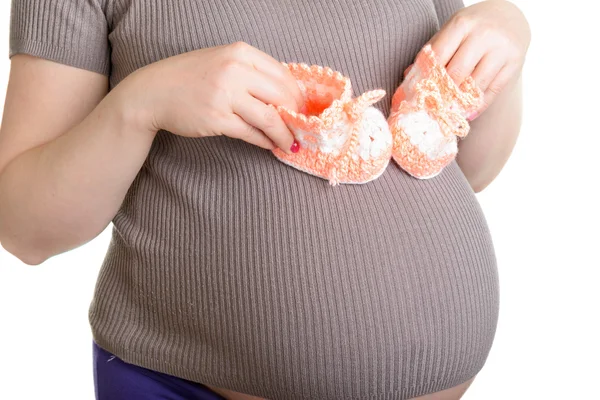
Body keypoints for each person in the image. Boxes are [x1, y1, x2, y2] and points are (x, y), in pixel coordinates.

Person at [0, 0, 530, 399]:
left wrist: (507, 43)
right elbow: (25, 229)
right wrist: (141, 103)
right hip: (184, 382)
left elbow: (470, 169)